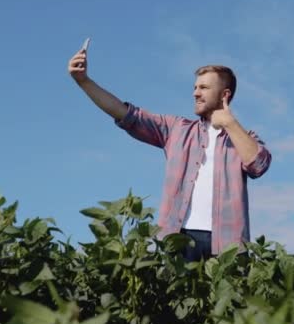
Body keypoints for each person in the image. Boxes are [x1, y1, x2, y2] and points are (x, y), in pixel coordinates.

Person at [68, 44, 272, 261]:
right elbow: (125, 114)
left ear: (224, 94)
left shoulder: (243, 137)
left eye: (203, 87)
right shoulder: (176, 129)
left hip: (228, 245)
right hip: (178, 238)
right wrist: (84, 82)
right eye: (195, 87)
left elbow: (258, 165)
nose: (195, 93)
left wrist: (230, 123)